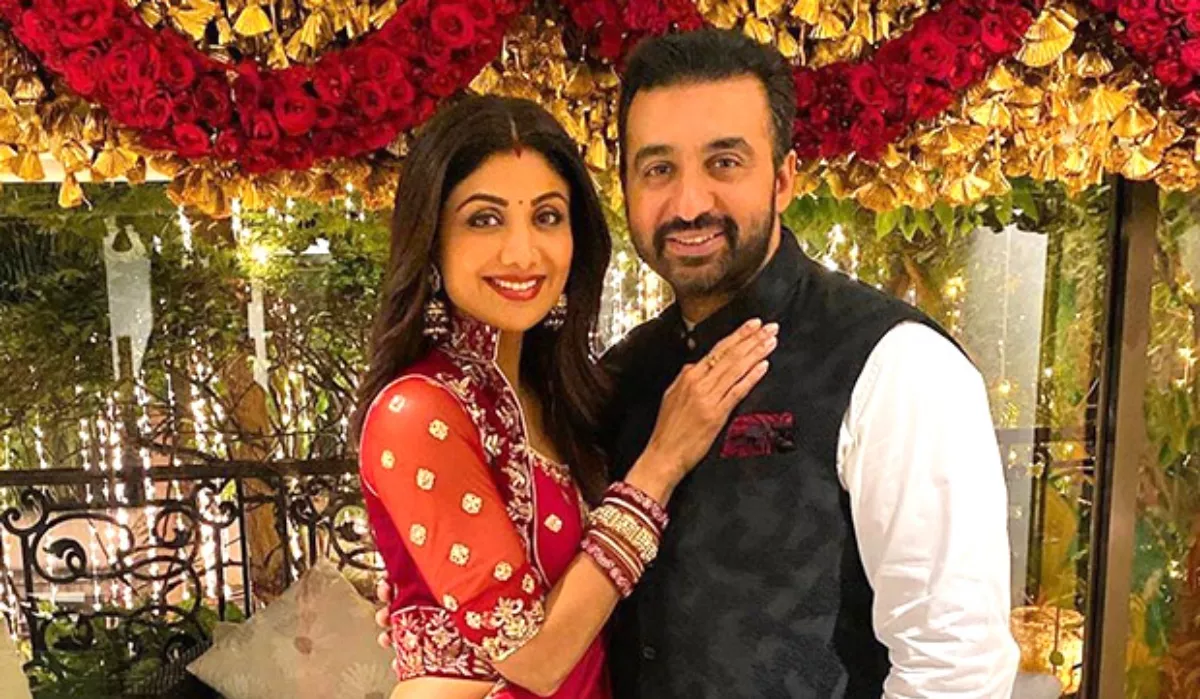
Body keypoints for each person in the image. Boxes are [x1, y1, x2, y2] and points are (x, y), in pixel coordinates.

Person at [601, 29, 1020, 698]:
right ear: (625, 185)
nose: (688, 204)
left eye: (724, 163)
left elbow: (954, 664)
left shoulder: (896, 363)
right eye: (658, 169)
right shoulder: (624, 372)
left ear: (783, 178)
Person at [354, 94, 777, 699]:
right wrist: (661, 464)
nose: (522, 252)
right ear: (432, 239)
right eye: (484, 219)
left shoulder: (559, 398)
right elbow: (534, 658)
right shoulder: (418, 411)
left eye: (547, 217)